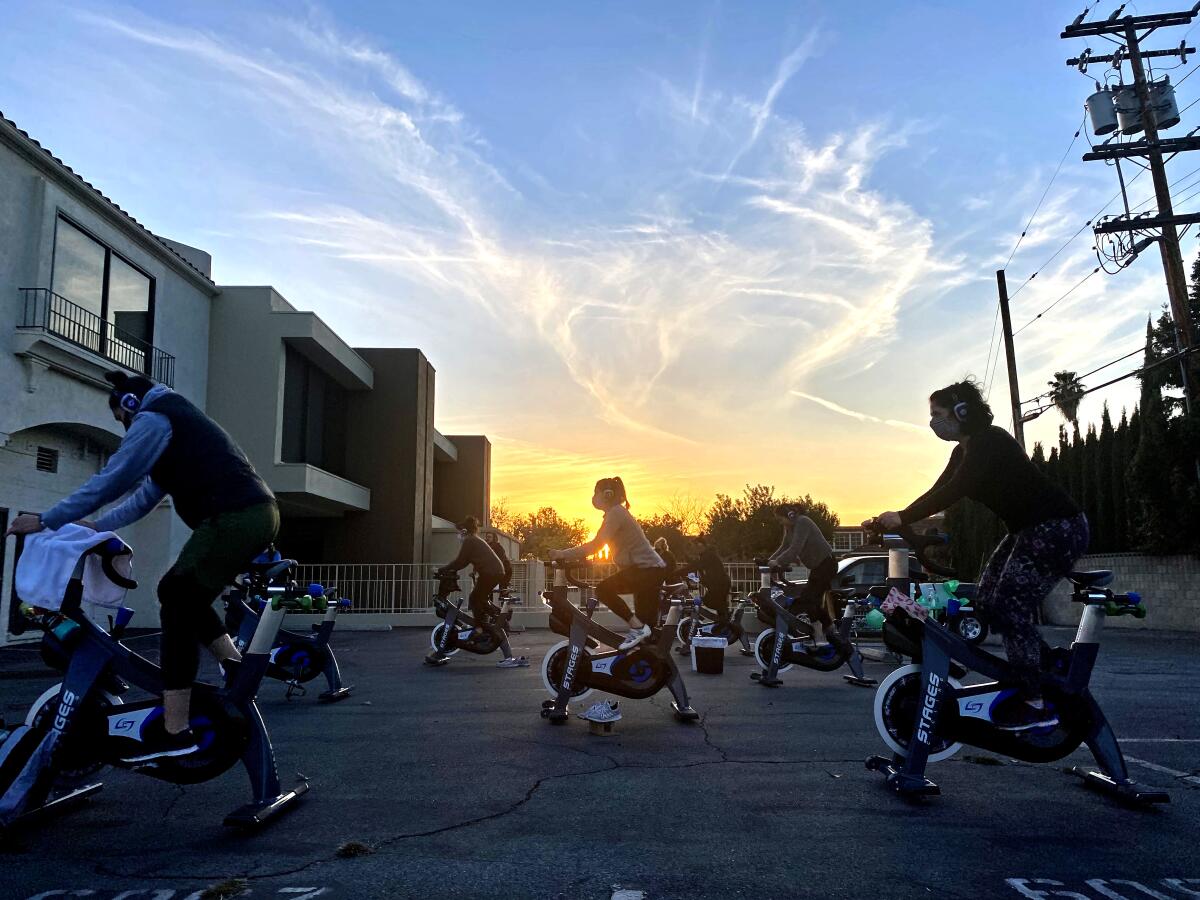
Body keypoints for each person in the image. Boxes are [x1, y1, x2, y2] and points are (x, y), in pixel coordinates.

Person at [5, 370, 278, 761]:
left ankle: (176, 729)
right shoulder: (176, 428)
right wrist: (95, 525)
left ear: (130, 404)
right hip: (252, 513)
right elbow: (142, 498)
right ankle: (233, 665)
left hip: (236, 516)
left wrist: (48, 518)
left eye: (120, 417)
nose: (124, 425)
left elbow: (113, 479)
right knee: (178, 591)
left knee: (178, 600)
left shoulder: (153, 420)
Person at [867, 379, 1086, 732]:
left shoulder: (990, 441)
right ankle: (1046, 666)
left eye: (937, 414)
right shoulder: (962, 452)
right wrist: (892, 517)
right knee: (986, 601)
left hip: (1058, 527)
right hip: (1028, 529)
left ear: (962, 411)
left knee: (1012, 607)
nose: (933, 422)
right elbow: (938, 489)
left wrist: (903, 517)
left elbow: (955, 491)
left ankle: (1036, 704)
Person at [549, 477, 666, 650]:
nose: (593, 497)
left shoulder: (616, 513)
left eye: (595, 492)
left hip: (646, 570)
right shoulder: (615, 513)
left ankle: (638, 629)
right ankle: (647, 657)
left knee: (604, 590)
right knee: (647, 633)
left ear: (607, 494)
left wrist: (562, 554)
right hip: (649, 570)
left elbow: (596, 545)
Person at [437, 516, 526, 667]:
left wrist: (443, 569)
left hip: (491, 572)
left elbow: (460, 561)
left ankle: (479, 628)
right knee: (480, 599)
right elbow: (466, 561)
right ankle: (492, 617)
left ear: (464, 531)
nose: (458, 536)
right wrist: (452, 569)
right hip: (494, 572)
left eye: (458, 532)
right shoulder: (474, 540)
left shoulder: (469, 541)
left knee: (474, 598)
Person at [767, 504, 838, 645]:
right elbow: (785, 546)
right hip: (817, 567)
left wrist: (777, 562)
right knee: (811, 599)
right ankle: (831, 630)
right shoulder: (789, 527)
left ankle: (819, 633)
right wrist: (769, 561)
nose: (780, 523)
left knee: (808, 597)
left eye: (781, 520)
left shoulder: (803, 522)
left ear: (790, 515)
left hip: (826, 564)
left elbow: (795, 549)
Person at [686, 534, 732, 626]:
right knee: (716, 604)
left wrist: (678, 572)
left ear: (700, 546)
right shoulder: (704, 555)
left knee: (710, 601)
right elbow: (696, 566)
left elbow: (697, 565)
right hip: (717, 584)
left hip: (719, 584)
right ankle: (723, 622)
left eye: (694, 546)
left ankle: (725, 620)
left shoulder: (708, 555)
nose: (693, 549)